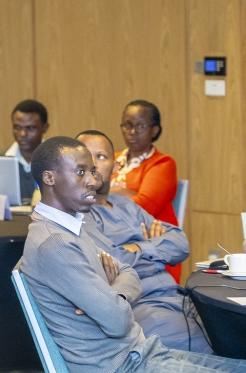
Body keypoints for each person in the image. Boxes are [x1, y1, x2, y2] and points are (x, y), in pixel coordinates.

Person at [20, 136, 246, 373]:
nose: (92, 181)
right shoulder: (56, 243)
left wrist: (113, 294)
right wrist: (114, 302)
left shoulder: (68, 225)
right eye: (80, 172)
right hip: (121, 365)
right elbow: (118, 322)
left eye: (91, 171)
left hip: (141, 352)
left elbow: (128, 272)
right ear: (49, 178)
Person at [78, 130, 210, 353]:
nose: (92, 164)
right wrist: (158, 248)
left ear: (116, 166)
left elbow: (181, 243)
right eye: (85, 157)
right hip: (142, 304)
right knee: (214, 347)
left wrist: (138, 247)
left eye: (100, 157)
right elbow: (115, 260)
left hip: (177, 296)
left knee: (233, 329)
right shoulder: (81, 213)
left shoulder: (127, 206)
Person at [112, 100, 180, 280]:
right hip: (113, 241)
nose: (132, 132)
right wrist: (125, 193)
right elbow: (88, 195)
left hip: (152, 250)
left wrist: (106, 195)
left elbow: (143, 206)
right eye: (128, 125)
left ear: (154, 130)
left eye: (140, 126)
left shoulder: (163, 163)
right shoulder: (110, 159)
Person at [0, 99, 49, 200]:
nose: (22, 134)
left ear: (45, 127)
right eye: (17, 127)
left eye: (30, 128)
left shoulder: (57, 160)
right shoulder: (0, 158)